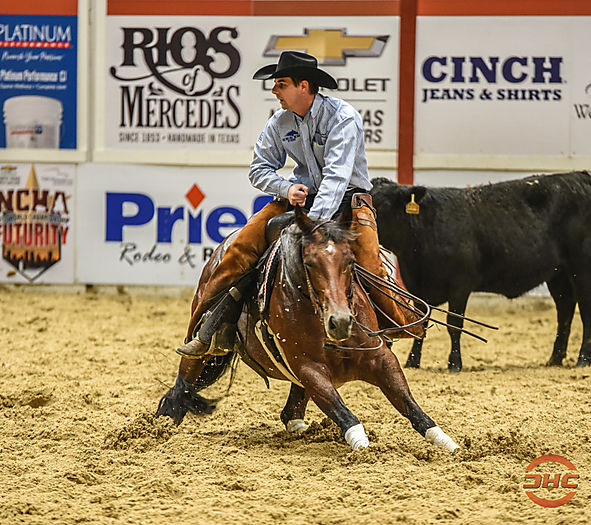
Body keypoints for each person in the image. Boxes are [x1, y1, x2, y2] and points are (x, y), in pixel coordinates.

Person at [177, 51, 421, 359]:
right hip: (299, 201)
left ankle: (394, 327)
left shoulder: (342, 117)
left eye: (281, 84)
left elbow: (336, 177)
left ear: (303, 86)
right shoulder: (280, 122)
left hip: (349, 200)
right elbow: (258, 169)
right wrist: (286, 188)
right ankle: (209, 328)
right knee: (240, 248)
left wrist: (312, 226)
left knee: (369, 262)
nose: (274, 90)